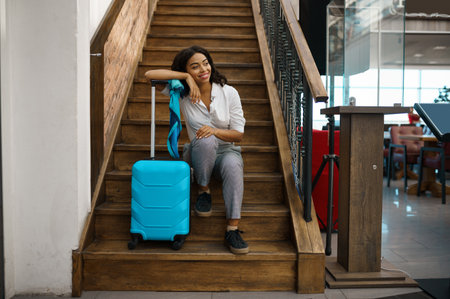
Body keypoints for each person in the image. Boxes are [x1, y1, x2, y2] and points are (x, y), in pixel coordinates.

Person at [144, 45, 249, 254]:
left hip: (227, 151)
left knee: (233, 165)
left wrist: (214, 130)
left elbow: (238, 134)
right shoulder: (181, 92)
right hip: (198, 152)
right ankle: (203, 190)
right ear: (186, 70)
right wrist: (185, 77)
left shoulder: (229, 92)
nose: (203, 69)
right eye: (195, 67)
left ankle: (232, 229)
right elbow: (149, 75)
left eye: (205, 63)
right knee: (205, 140)